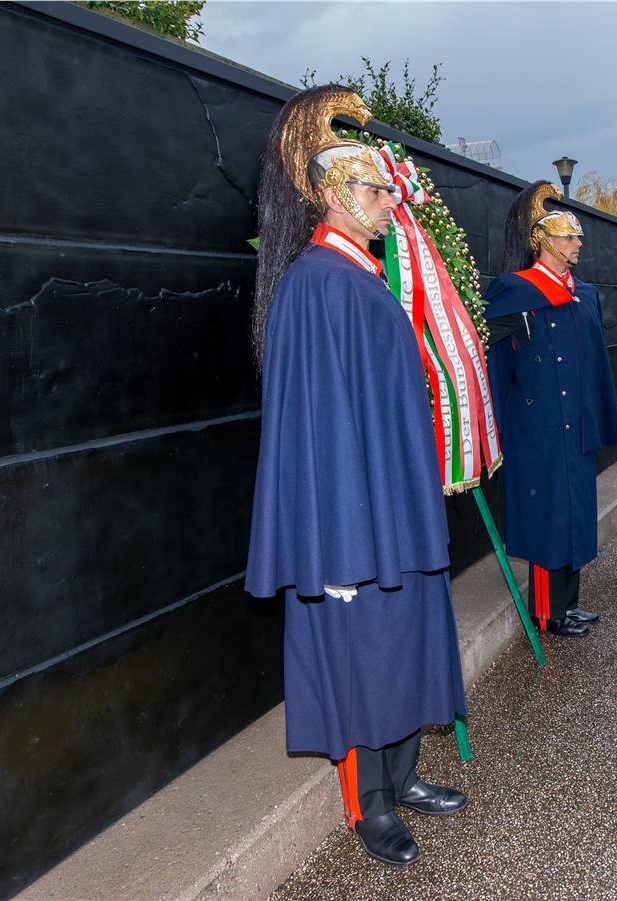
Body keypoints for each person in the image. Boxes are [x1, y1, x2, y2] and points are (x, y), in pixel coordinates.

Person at [244, 86, 468, 867]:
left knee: (404, 640)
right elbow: (315, 429)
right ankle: (368, 803)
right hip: (351, 522)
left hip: (393, 506)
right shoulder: (315, 283)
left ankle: (401, 776)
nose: (388, 201)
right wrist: (334, 550)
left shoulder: (360, 275)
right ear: (337, 196)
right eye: (376, 190)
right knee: (359, 654)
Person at [483, 182, 617, 637]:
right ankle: (547, 611)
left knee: (575, 514)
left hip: (576, 424)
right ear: (543, 241)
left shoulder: (584, 293)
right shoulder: (514, 290)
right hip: (538, 425)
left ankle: (569, 603)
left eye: (579, 236)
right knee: (548, 517)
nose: (578, 243)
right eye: (569, 236)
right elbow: (496, 360)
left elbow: (595, 363)